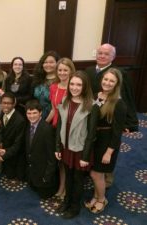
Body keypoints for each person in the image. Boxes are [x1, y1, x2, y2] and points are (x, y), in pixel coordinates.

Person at [85, 43, 138, 188]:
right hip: (93, 116)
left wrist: (130, 122)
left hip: (110, 118)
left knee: (108, 149)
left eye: (106, 54)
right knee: (93, 149)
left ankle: (107, 177)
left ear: (113, 57)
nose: (102, 56)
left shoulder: (118, 73)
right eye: (100, 53)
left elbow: (126, 98)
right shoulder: (89, 70)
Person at [55, 71, 97, 219]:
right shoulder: (65, 100)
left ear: (85, 86)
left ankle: (75, 207)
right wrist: (57, 147)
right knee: (68, 176)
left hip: (80, 149)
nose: (74, 87)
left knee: (78, 179)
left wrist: (85, 156)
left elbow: (91, 134)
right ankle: (66, 201)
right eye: (72, 84)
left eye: (79, 84)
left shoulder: (91, 105)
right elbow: (60, 125)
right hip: (66, 146)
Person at [85, 68, 126, 214]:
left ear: (117, 84)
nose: (107, 83)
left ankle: (102, 199)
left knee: (97, 174)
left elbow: (117, 133)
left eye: (112, 81)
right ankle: (96, 196)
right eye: (106, 79)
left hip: (107, 143)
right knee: (94, 173)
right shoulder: (96, 95)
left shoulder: (118, 103)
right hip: (94, 140)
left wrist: (109, 152)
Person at [47, 58, 76, 199]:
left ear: (71, 71)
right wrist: (43, 125)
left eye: (65, 70)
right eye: (60, 70)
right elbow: (53, 110)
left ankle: (65, 189)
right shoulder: (53, 87)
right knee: (59, 160)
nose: (62, 72)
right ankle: (61, 187)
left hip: (69, 129)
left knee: (67, 161)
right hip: (55, 127)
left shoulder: (75, 86)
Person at [24, 99, 58, 199]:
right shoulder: (28, 125)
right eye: (29, 113)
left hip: (44, 179)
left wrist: (46, 177)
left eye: (35, 113)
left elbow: (52, 158)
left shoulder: (47, 129)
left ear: (41, 113)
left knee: (44, 196)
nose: (31, 116)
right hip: (33, 173)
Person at [0, 92, 26, 180]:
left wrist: (3, 157)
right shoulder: (1, 115)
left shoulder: (20, 120)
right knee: (8, 175)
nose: (6, 106)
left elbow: (18, 145)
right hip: (5, 151)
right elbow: (1, 133)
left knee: (18, 177)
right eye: (4, 103)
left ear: (14, 104)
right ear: (0, 103)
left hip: (16, 156)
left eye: (9, 103)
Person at [32, 51, 60, 120]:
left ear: (57, 63)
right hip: (37, 116)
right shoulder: (38, 78)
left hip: (54, 117)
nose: (48, 65)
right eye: (45, 62)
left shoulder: (60, 80)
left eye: (51, 62)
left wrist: (45, 122)